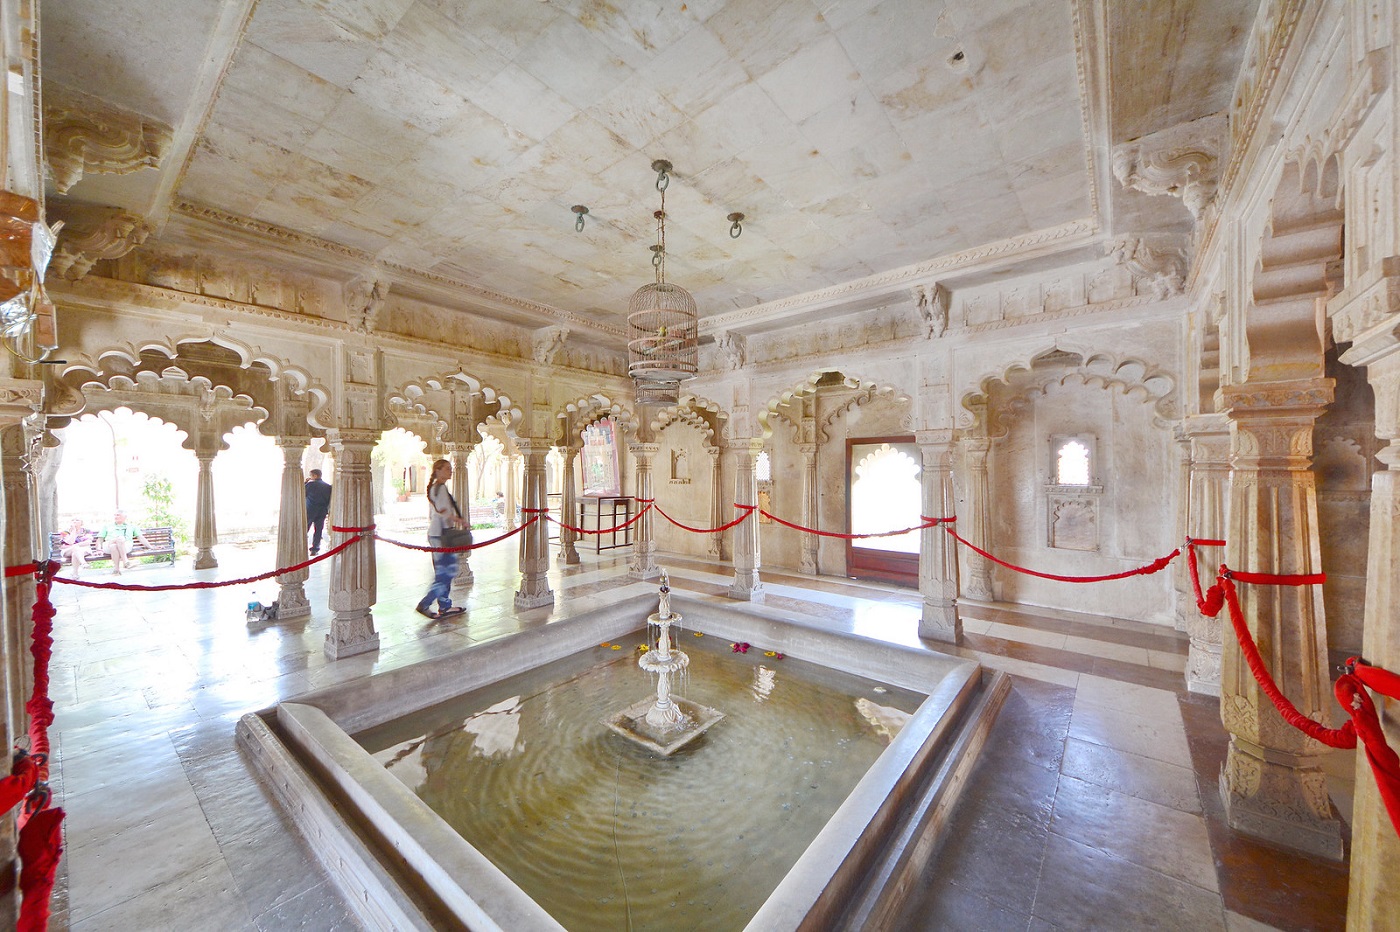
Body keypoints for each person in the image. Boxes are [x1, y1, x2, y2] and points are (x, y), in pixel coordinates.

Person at [417, 458, 467, 620]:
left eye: (450, 468)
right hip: (442, 535)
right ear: (437, 471)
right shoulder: (441, 489)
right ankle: (426, 603)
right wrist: (460, 521)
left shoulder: (436, 488)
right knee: (446, 573)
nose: (450, 471)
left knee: (445, 571)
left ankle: (445, 605)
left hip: (438, 534)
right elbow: (444, 513)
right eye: (446, 468)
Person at [100, 510, 153, 576]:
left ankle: (116, 570)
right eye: (115, 515)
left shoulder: (131, 526)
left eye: (118, 515)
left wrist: (151, 547)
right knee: (118, 540)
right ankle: (126, 562)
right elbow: (100, 539)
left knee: (115, 544)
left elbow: (141, 538)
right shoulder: (107, 526)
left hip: (125, 546)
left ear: (125, 517)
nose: (116, 516)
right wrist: (98, 549)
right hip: (108, 546)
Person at [305, 468, 332, 555]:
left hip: (310, 510)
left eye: (311, 475)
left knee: (305, 528)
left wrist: (305, 483)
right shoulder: (328, 487)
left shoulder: (310, 485)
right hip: (322, 510)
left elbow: (302, 493)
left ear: (315, 476)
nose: (310, 477)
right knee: (318, 530)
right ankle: (315, 549)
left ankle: (301, 546)